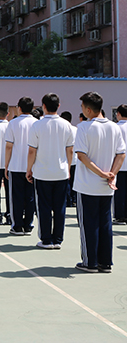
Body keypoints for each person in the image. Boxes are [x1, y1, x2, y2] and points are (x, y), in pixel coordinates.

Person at [73, 92, 125, 272]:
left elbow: (81, 155)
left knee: (89, 223)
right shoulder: (114, 127)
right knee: (105, 223)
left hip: (88, 184)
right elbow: (121, 154)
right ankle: (105, 262)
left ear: (88, 109)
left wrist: (101, 173)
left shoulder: (84, 127)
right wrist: (111, 174)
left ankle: (90, 262)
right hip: (108, 185)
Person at [26, 93, 74, 250]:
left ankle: (46, 239)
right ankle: (58, 239)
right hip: (61, 172)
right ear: (58, 106)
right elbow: (70, 150)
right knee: (60, 207)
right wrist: (68, 168)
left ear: (43, 106)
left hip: (42, 172)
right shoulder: (66, 125)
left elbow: (32, 151)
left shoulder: (37, 125)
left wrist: (29, 169)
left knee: (44, 206)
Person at [5, 97, 37, 236]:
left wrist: (6, 165)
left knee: (16, 197)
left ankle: (17, 225)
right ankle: (28, 224)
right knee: (30, 196)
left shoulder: (13, 123)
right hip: (33, 166)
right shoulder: (37, 123)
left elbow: (8, 146)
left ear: (19, 108)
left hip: (16, 165)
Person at [114, 105, 127, 224]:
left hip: (120, 164)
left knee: (120, 191)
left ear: (118, 114)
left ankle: (120, 215)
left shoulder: (116, 128)